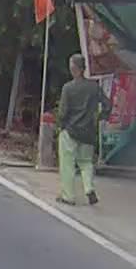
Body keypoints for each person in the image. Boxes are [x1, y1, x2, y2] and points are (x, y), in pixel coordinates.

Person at [56, 54, 111, 206]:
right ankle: (89, 188)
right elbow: (108, 104)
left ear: (74, 68)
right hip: (88, 131)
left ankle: (68, 196)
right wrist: (101, 116)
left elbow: (62, 113)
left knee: (67, 164)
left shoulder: (68, 88)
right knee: (86, 162)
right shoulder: (94, 87)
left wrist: (61, 125)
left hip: (71, 130)